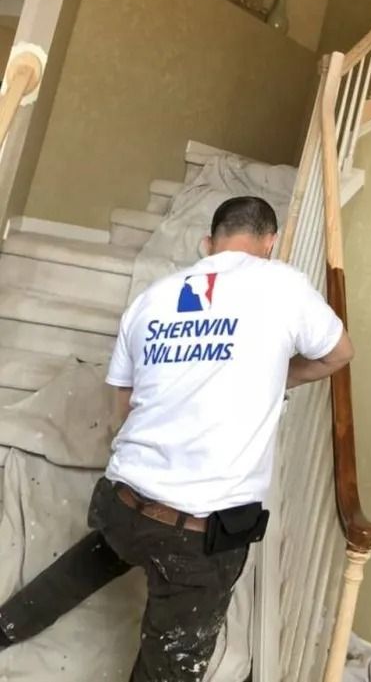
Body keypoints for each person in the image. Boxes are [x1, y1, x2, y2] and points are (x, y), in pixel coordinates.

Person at [0, 195, 353, 680]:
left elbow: (122, 406)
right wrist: (279, 375)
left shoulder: (152, 297)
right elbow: (339, 353)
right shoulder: (282, 284)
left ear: (208, 243)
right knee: (168, 669)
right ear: (270, 242)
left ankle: (7, 624)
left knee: (94, 559)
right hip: (197, 539)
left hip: (121, 504)